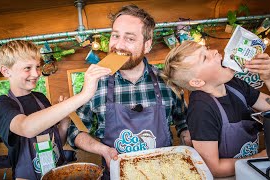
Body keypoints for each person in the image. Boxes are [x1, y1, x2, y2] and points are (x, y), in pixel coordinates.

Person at [67, 4, 191, 178]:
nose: (118, 45)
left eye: (130, 39)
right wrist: (103, 150)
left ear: (147, 45)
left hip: (164, 174)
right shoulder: (95, 83)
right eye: (115, 35)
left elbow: (184, 123)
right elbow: (75, 132)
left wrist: (189, 142)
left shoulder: (167, 80)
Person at [0, 40, 111, 179]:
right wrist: (84, 94)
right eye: (27, 68)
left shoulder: (41, 98)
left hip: (56, 174)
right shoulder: (2, 105)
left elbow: (57, 141)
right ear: (6, 71)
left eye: (37, 66)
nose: (36, 74)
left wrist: (65, 122)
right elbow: (27, 128)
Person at [160, 40, 270, 177]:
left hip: (252, 171)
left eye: (208, 48)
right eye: (205, 57)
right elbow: (213, 169)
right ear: (197, 82)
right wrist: (259, 157)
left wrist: (269, 77)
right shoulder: (201, 110)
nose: (215, 51)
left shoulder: (235, 85)